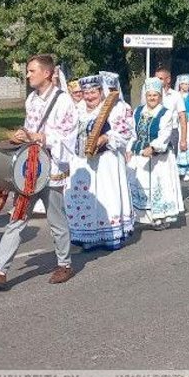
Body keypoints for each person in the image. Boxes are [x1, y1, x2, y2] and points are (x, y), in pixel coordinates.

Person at [0, 55, 78, 290]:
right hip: (30, 169)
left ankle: (65, 264)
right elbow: (30, 128)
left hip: (51, 169)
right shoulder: (31, 99)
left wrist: (41, 137)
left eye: (32, 71)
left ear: (47, 73)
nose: (27, 75)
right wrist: (22, 134)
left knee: (56, 219)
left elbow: (70, 136)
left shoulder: (64, 101)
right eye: (28, 71)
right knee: (17, 218)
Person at [63, 72, 136, 250]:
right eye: (86, 93)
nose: (89, 97)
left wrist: (106, 137)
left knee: (106, 195)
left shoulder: (114, 108)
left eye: (93, 92)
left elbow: (125, 131)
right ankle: (89, 236)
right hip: (82, 162)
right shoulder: (78, 109)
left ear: (101, 91)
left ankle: (110, 235)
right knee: (85, 196)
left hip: (106, 161)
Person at [128, 78, 185, 229]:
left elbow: (165, 134)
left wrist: (153, 147)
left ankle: (161, 217)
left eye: (155, 95)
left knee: (159, 185)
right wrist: (129, 149)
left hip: (159, 158)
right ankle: (143, 217)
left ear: (160, 96)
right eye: (149, 95)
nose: (152, 98)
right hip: (141, 156)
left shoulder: (165, 113)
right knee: (141, 185)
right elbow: (133, 133)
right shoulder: (138, 111)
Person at [155, 65, 189, 162]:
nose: (157, 81)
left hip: (171, 132)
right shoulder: (152, 96)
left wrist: (183, 139)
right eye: (156, 79)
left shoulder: (176, 95)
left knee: (170, 161)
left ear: (168, 79)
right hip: (156, 131)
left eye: (160, 79)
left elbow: (182, 117)